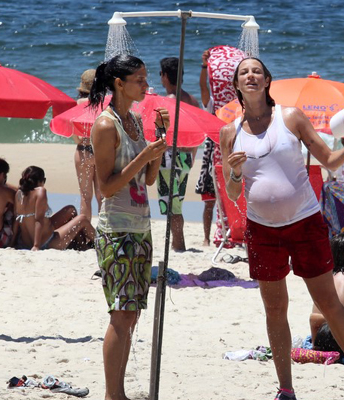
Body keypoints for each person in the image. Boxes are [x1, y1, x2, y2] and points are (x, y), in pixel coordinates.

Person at [219, 57, 344, 400]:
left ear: (267, 80)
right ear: (237, 84)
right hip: (262, 230)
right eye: (244, 72)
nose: (251, 75)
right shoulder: (229, 133)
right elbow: (232, 194)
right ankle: (286, 390)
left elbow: (328, 160)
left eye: (256, 71)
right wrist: (232, 173)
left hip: (305, 221)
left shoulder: (290, 117)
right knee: (275, 309)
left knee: (328, 302)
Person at [89, 54, 167, 400]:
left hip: (140, 227)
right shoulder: (106, 125)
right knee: (120, 315)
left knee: (131, 315)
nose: (146, 85)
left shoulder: (135, 120)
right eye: (139, 79)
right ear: (119, 83)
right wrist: (143, 156)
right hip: (116, 229)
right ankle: (113, 395)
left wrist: (159, 145)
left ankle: (117, 392)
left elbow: (148, 179)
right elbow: (104, 187)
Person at [157, 57, 199, 251]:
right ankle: (177, 242)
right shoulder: (192, 100)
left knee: (171, 203)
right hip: (186, 156)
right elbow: (198, 132)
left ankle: (178, 243)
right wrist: (191, 156)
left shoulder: (168, 101)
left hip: (169, 157)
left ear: (165, 76)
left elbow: (161, 132)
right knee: (177, 202)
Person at [13, 166, 96, 251]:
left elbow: (16, 221)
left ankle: (80, 244)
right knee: (82, 219)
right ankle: (101, 243)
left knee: (71, 210)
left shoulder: (19, 194)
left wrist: (12, 243)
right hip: (46, 242)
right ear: (40, 181)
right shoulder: (40, 192)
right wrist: (36, 245)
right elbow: (39, 220)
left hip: (26, 242)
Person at [195, 49, 217, 246]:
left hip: (229, 154)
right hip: (212, 155)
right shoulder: (214, 105)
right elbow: (203, 88)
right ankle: (206, 238)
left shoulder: (236, 105)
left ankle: (226, 234)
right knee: (209, 201)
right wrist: (205, 66)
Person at [73, 69, 101, 221]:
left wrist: (81, 143)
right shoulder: (104, 104)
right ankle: (105, 233)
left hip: (83, 150)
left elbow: (73, 133)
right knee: (101, 196)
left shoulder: (77, 104)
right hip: (101, 152)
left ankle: (86, 233)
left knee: (85, 196)